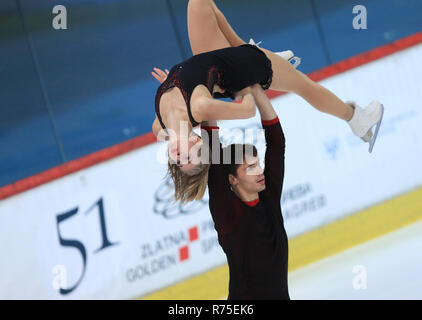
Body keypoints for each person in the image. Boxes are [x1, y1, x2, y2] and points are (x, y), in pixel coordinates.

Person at [151, 0, 384, 203]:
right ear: (198, 142)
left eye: (178, 160)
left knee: (200, 5)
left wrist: (170, 82)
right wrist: (245, 89)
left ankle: (256, 51)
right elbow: (247, 110)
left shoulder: (160, 127)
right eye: (190, 157)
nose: (180, 155)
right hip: (243, 70)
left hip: (212, 62)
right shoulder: (201, 107)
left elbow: (168, 130)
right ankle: (355, 119)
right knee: (305, 87)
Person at [201, 84, 289, 299]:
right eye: (250, 168)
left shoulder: (269, 196)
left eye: (258, 164)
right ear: (232, 179)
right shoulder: (227, 215)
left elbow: (277, 144)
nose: (260, 171)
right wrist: (205, 98)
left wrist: (256, 90)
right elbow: (213, 155)